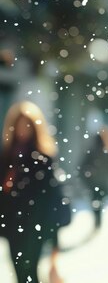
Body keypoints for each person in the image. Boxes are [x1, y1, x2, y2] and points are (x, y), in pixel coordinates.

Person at [0, 100, 71, 283]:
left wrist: (54, 240)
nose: (23, 129)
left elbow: (53, 198)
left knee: (29, 271)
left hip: (34, 226)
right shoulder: (7, 157)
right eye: (19, 125)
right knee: (19, 271)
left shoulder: (42, 159)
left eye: (27, 125)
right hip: (12, 225)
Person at [79, 125, 108, 230]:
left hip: (95, 182)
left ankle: (97, 222)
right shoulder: (107, 149)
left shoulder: (96, 149)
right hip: (100, 182)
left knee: (96, 203)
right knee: (98, 203)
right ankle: (98, 222)